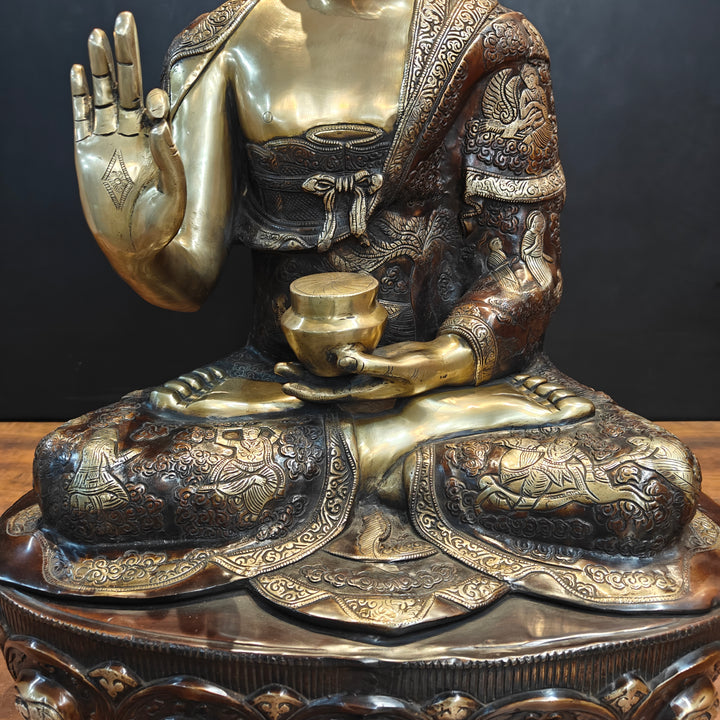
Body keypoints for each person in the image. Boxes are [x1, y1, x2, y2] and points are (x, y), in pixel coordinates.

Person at [1, 0, 710, 631]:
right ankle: (389, 453)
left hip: (460, 386)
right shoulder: (221, 43)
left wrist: (438, 361)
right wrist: (133, 240)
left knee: (650, 479)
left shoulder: (488, 41)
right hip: (279, 388)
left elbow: (527, 268)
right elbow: (186, 283)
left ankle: (371, 447)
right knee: (82, 469)